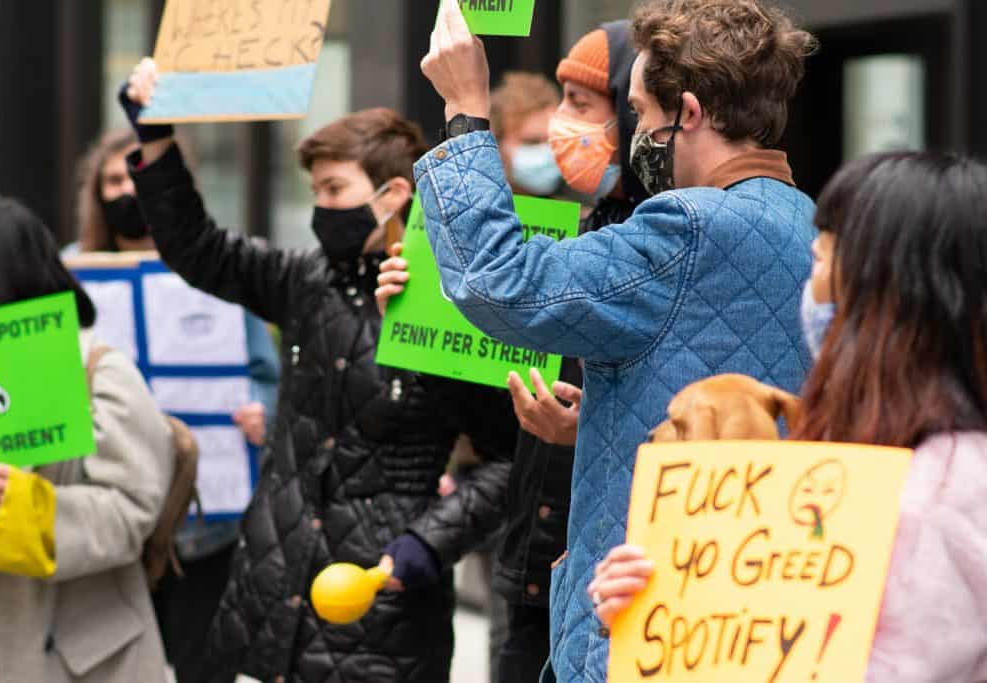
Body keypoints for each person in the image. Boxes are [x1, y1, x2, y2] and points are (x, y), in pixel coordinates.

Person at [417, 1, 817, 680]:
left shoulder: (687, 227)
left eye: (640, 112)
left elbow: (499, 282)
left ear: (687, 114)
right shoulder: (810, 222)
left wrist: (463, 109)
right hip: (750, 615)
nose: (633, 134)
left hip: (648, 623)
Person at [120, 65, 516, 682]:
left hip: (382, 605)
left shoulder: (454, 301)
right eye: (315, 192)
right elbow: (199, 249)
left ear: (392, 196)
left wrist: (426, 544)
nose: (320, 208)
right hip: (267, 593)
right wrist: (155, 139)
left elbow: (508, 457)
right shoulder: (306, 281)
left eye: (334, 190)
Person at [592, 151, 987, 682]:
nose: (809, 284)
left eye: (821, 260)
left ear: (885, 295)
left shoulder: (927, 502)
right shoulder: (884, 455)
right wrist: (661, 610)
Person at [376, 20, 650, 683]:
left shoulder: (645, 246)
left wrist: (581, 431)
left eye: (580, 105)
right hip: (537, 564)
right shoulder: (596, 221)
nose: (560, 130)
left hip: (609, 582)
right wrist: (416, 327)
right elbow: (499, 424)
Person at [65, 128, 280, 683]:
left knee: (201, 665)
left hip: (208, 523)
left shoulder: (218, 266)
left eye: (136, 175)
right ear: (96, 192)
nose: (126, 190)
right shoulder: (68, 272)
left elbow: (266, 371)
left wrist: (262, 411)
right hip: (113, 517)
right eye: (113, 180)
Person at [0, 199, 173, 682]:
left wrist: (30, 505)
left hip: (79, 656)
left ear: (6, 280)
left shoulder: (99, 371)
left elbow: (131, 512)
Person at [491, 71, 562, 197]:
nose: (548, 151)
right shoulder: (475, 213)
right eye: (532, 142)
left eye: (555, 141)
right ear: (496, 144)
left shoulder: (578, 215)